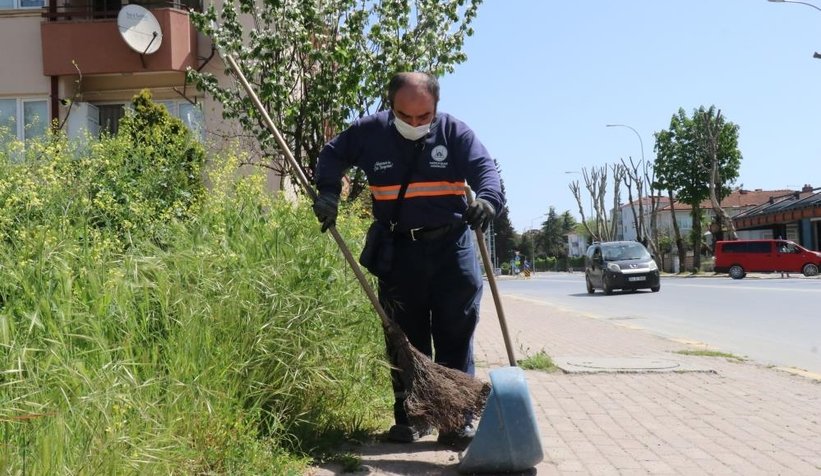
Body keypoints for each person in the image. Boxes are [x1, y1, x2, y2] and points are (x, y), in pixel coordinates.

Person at [311, 72, 504, 449]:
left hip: (453, 248)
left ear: (435, 107)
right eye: (405, 115)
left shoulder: (454, 133)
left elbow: (486, 170)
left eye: (423, 116)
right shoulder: (369, 132)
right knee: (403, 337)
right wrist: (329, 193)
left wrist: (488, 201)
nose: (415, 123)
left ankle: (456, 419)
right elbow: (332, 155)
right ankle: (413, 418)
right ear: (391, 106)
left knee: (455, 333)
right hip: (399, 251)